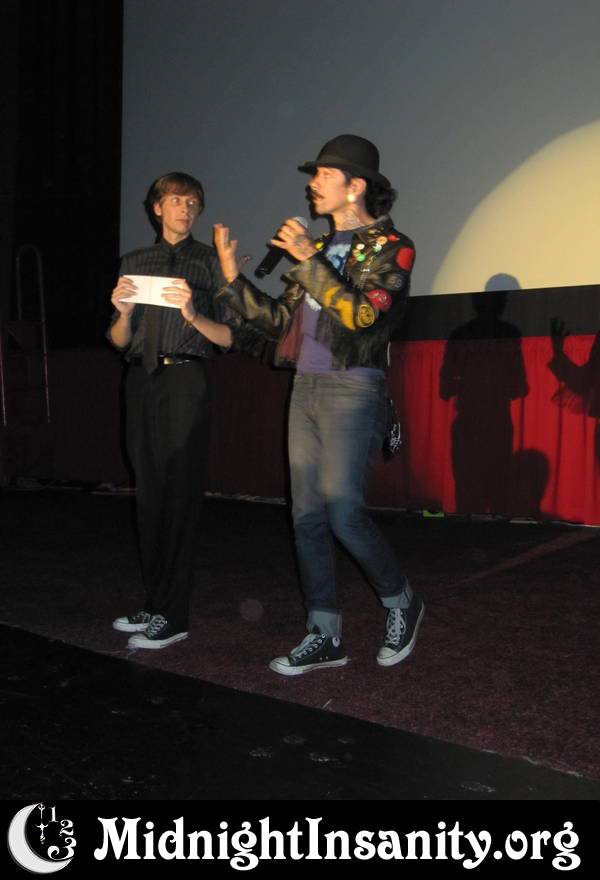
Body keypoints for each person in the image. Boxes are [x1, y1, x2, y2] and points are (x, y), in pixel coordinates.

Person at [213, 134, 424, 675]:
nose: (312, 184)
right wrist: (232, 279)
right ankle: (324, 633)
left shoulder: (392, 246)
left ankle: (401, 601)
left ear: (356, 187)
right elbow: (279, 322)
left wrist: (308, 258)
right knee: (306, 516)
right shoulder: (321, 247)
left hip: (352, 387)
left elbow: (363, 315)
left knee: (344, 514)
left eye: (324, 175)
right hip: (305, 385)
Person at [108, 171, 234, 649]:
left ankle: (174, 615)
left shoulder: (210, 262)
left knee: (180, 497)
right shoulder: (134, 261)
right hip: (141, 379)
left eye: (193, 202)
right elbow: (118, 340)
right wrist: (122, 313)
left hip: (185, 379)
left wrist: (193, 315)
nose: (186, 208)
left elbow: (228, 338)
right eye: (177, 200)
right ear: (157, 207)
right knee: (148, 496)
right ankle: (155, 600)